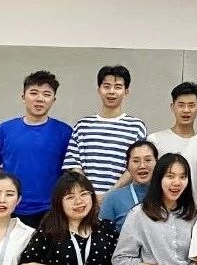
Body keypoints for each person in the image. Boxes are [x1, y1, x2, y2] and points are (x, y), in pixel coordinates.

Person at [0, 70, 72, 228]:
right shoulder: (5, 129)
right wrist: (12, 181)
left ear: (54, 99)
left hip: (50, 211)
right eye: (33, 93)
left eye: (46, 94)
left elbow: (70, 172)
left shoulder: (65, 132)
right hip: (12, 208)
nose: (40, 99)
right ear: (23, 96)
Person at [63, 65, 147, 195]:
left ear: (126, 92)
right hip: (86, 199)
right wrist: (89, 194)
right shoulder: (82, 125)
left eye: (118, 87)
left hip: (121, 199)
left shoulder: (136, 127)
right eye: (106, 86)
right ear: (99, 90)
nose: (111, 91)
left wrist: (110, 194)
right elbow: (73, 164)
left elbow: (137, 166)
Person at [147, 82, 197, 213]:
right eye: (181, 105)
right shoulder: (155, 140)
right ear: (172, 107)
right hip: (159, 210)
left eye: (191, 105)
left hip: (190, 213)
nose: (186, 110)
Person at [100, 140, 158, 232]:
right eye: (136, 161)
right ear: (127, 166)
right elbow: (103, 236)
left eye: (148, 160)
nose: (142, 165)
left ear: (157, 163)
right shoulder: (113, 198)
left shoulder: (166, 195)